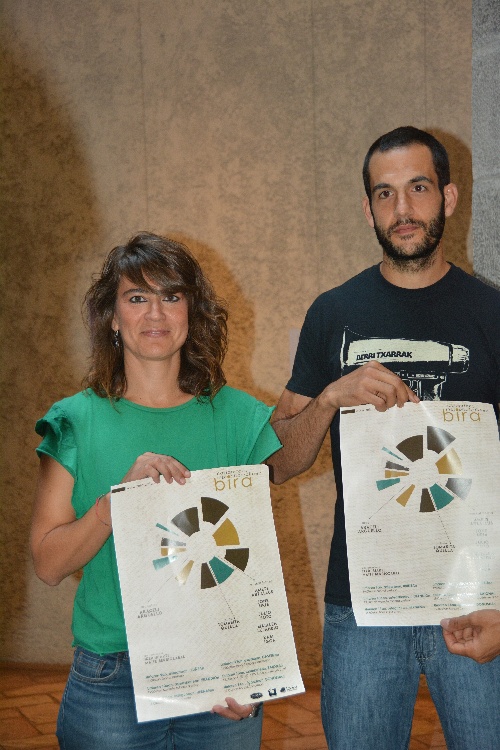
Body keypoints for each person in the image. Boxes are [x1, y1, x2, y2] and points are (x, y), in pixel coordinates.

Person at [268, 126, 500, 749]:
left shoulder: (492, 316)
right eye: (385, 193)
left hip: (475, 596)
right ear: (368, 208)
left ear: (449, 197)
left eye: (418, 188)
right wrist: (328, 398)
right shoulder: (332, 313)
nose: (402, 209)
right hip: (362, 602)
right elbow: (278, 462)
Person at [30, 232, 281, 750]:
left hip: (219, 678)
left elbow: (249, 564)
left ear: (191, 311)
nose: (155, 313)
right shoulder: (74, 420)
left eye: (171, 296)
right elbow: (48, 565)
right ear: (112, 316)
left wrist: (252, 665)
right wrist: (115, 505)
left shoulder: (241, 417)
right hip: (111, 681)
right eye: (136, 297)